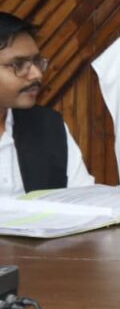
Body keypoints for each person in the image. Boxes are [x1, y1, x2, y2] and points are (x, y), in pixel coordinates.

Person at [0, 12, 93, 195]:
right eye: (18, 65)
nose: (37, 74)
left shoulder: (47, 125)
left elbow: (84, 200)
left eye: (36, 62)